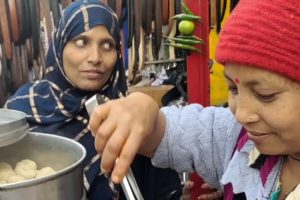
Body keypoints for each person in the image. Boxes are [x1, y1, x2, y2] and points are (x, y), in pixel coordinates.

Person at [88, 0, 300, 199]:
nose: (241, 114)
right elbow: (175, 133)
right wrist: (146, 113)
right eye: (233, 88)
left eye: (265, 95)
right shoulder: (238, 140)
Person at [5, 0, 183, 199]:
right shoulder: (22, 108)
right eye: (82, 42)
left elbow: (159, 189)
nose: (95, 57)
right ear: (60, 45)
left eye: (107, 45)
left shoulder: (131, 116)